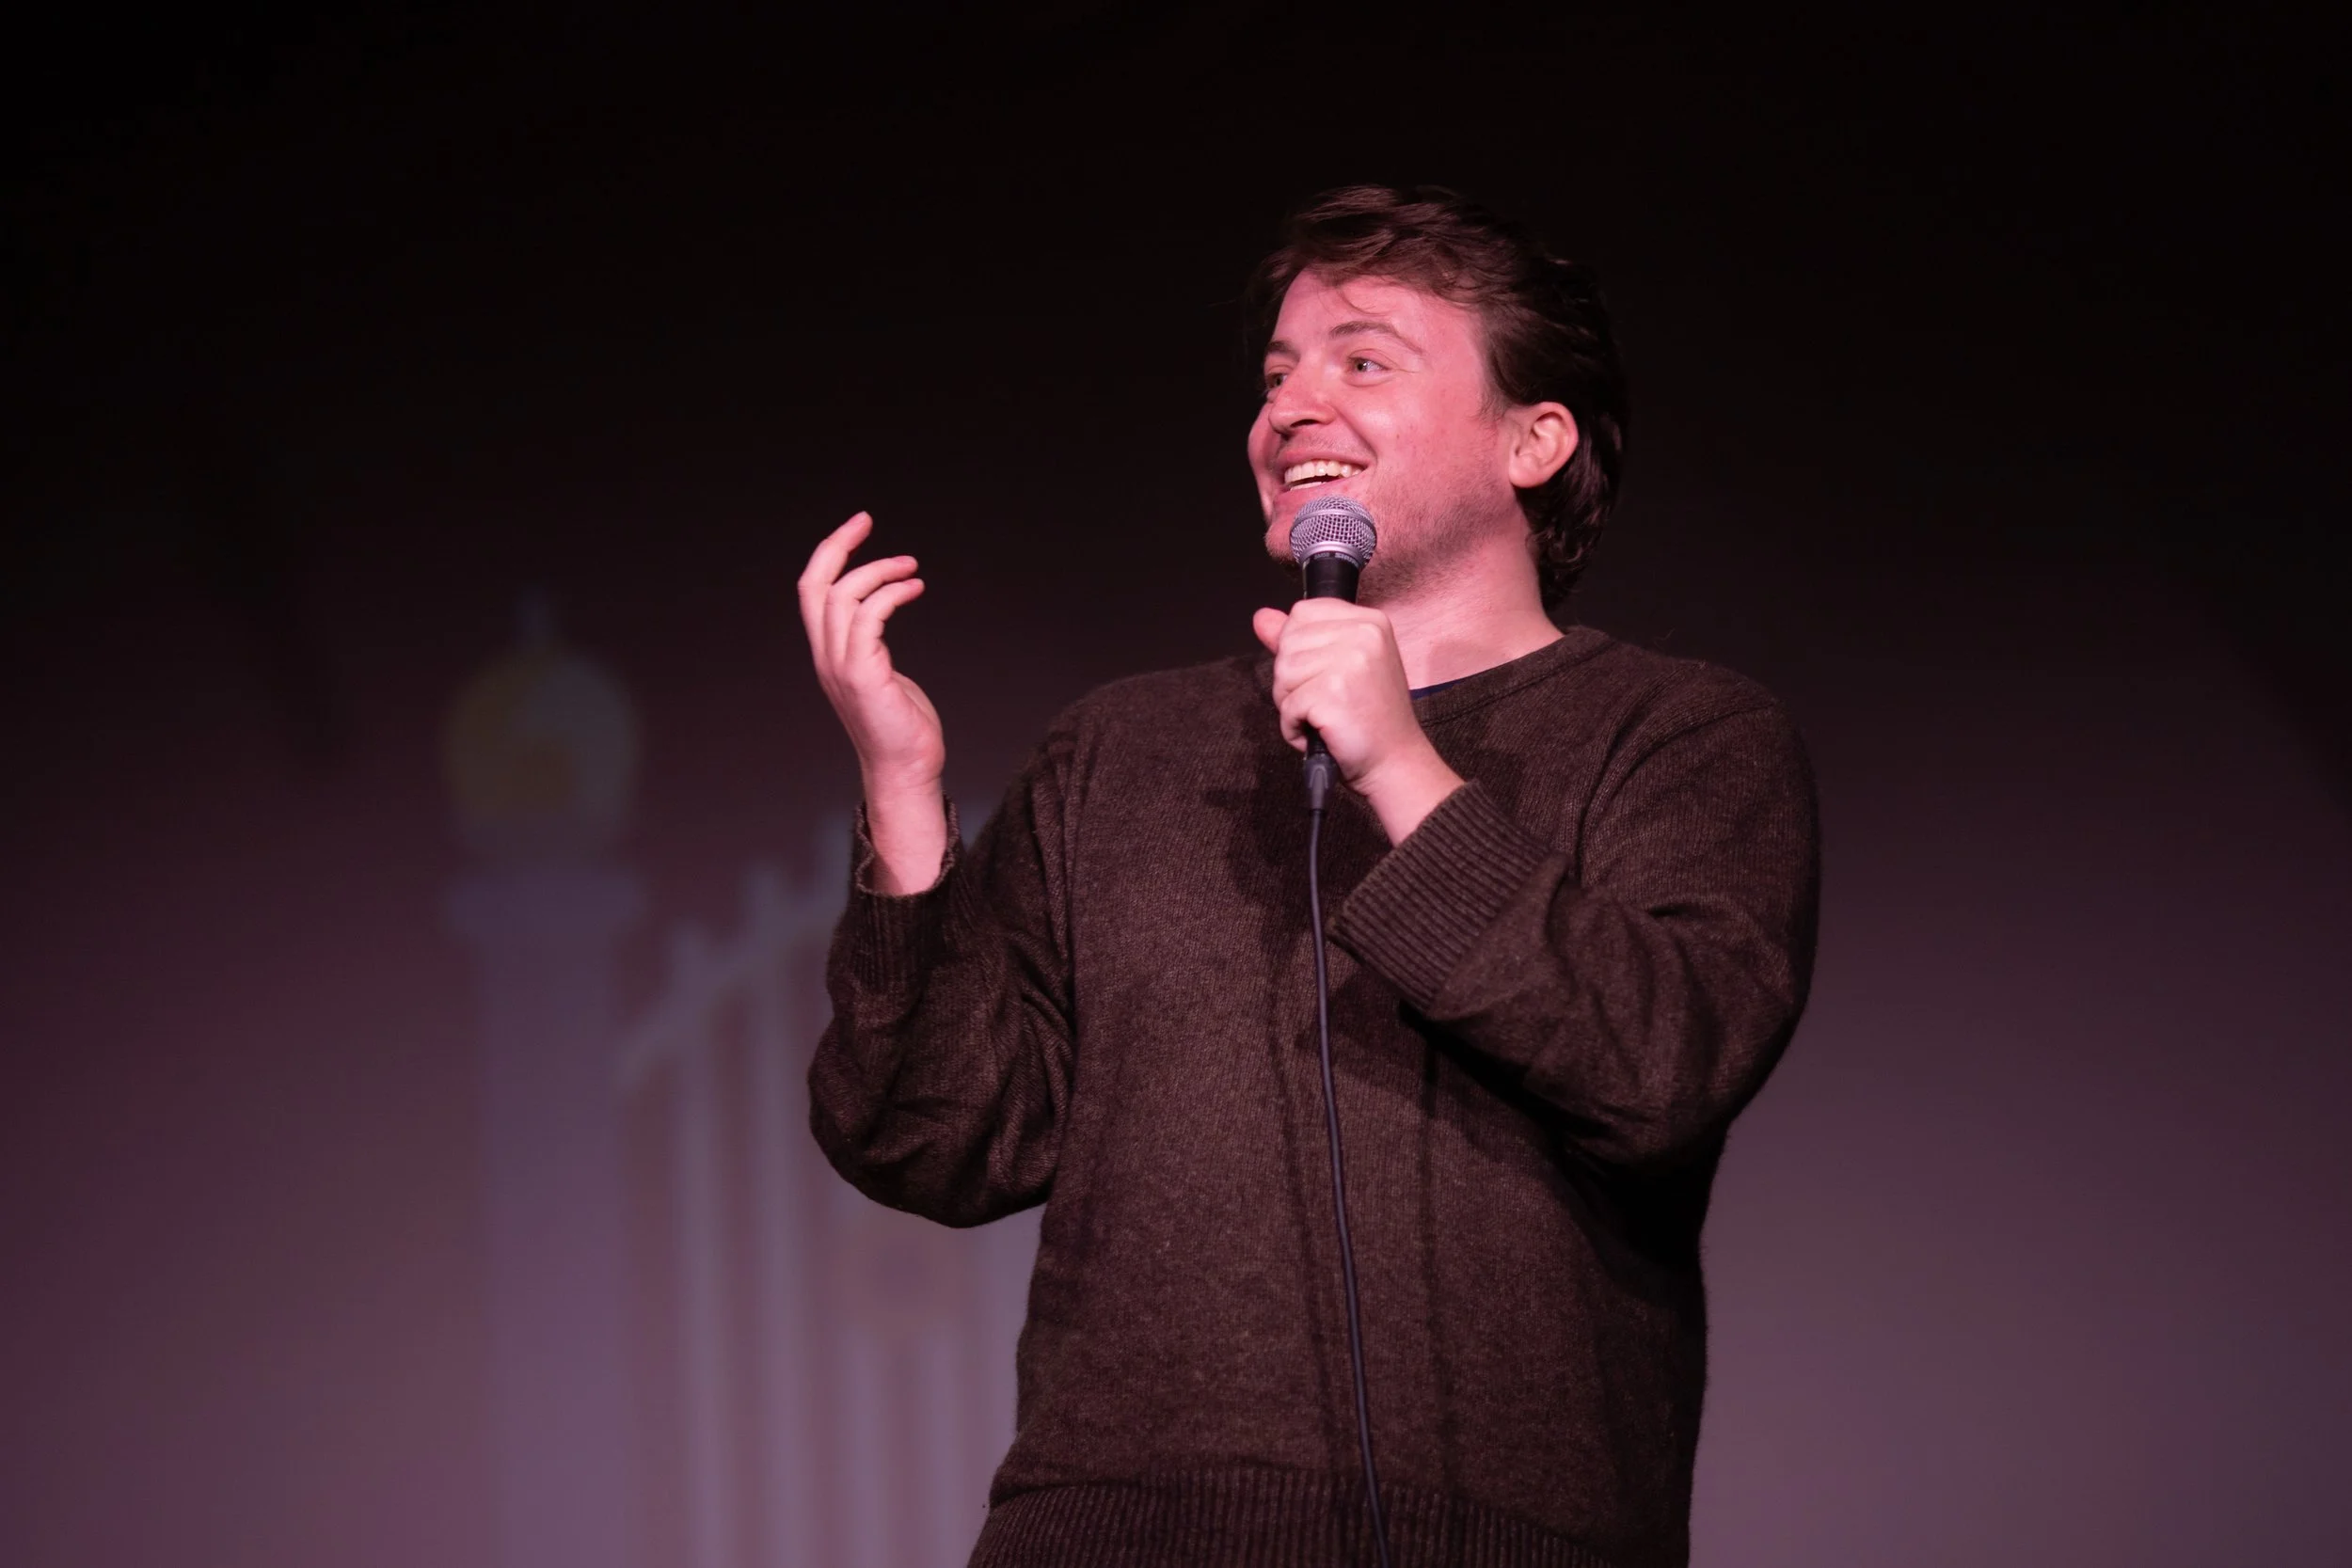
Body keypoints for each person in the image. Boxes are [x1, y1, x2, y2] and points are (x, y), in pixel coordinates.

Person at [798, 185, 1819, 1568]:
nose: (1290, 409)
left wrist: (1402, 763)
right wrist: (905, 796)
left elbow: (1660, 1064)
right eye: (1276, 375)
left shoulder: (1681, 735)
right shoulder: (1127, 747)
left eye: (1362, 359)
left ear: (1535, 437)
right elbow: (934, 1135)